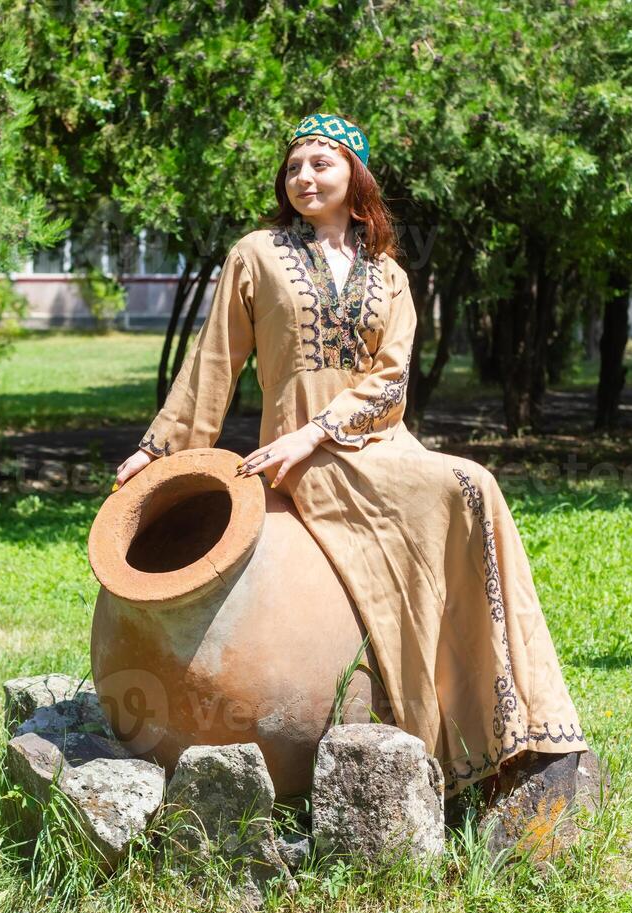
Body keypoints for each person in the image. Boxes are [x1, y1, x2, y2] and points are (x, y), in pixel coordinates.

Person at [114, 113, 587, 798]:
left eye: (321, 163)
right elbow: (214, 362)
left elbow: (392, 377)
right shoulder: (257, 253)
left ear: (353, 176)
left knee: (472, 484)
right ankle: (436, 730)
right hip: (294, 457)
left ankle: (514, 719)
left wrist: (323, 429)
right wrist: (157, 453)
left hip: (372, 444)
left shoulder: (388, 274)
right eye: (294, 165)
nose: (304, 176)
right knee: (467, 484)